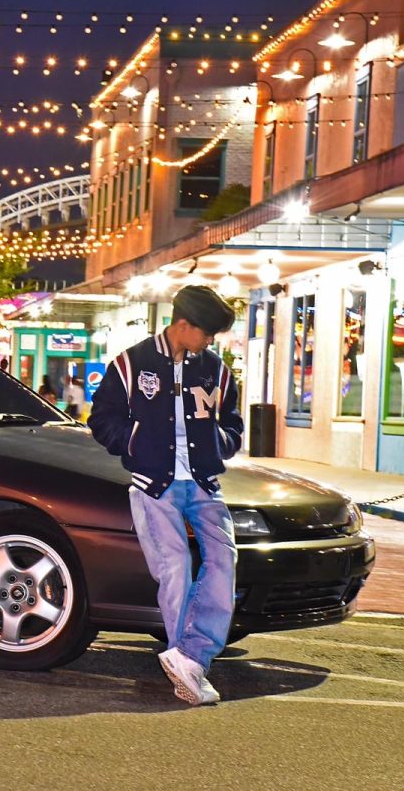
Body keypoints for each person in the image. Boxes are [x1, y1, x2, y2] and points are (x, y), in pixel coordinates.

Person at [87, 285, 242, 706]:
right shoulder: (132, 362)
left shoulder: (215, 369)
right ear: (184, 325)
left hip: (204, 481)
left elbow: (233, 423)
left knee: (224, 557)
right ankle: (188, 664)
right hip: (154, 483)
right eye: (207, 333)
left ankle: (189, 656)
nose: (211, 342)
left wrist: (218, 443)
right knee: (174, 566)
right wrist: (136, 445)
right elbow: (101, 419)